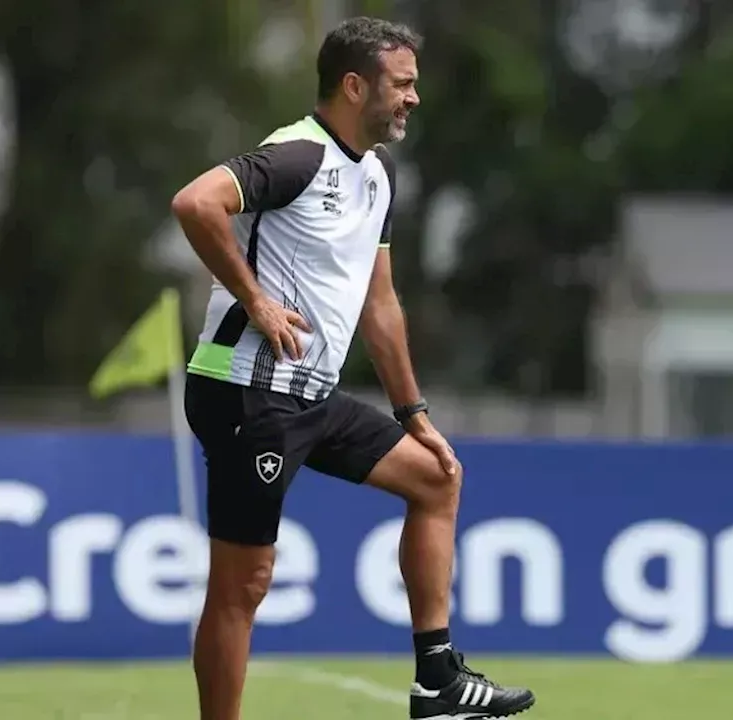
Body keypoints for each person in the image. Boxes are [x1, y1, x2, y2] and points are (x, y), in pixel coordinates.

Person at [169, 16, 536, 720]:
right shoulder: (299, 156)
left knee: (437, 478)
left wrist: (414, 414)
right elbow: (195, 203)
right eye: (402, 84)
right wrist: (259, 301)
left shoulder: (378, 174)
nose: (413, 98)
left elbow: (382, 303)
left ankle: (438, 682)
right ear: (352, 84)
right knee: (244, 584)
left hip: (308, 393)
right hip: (247, 388)